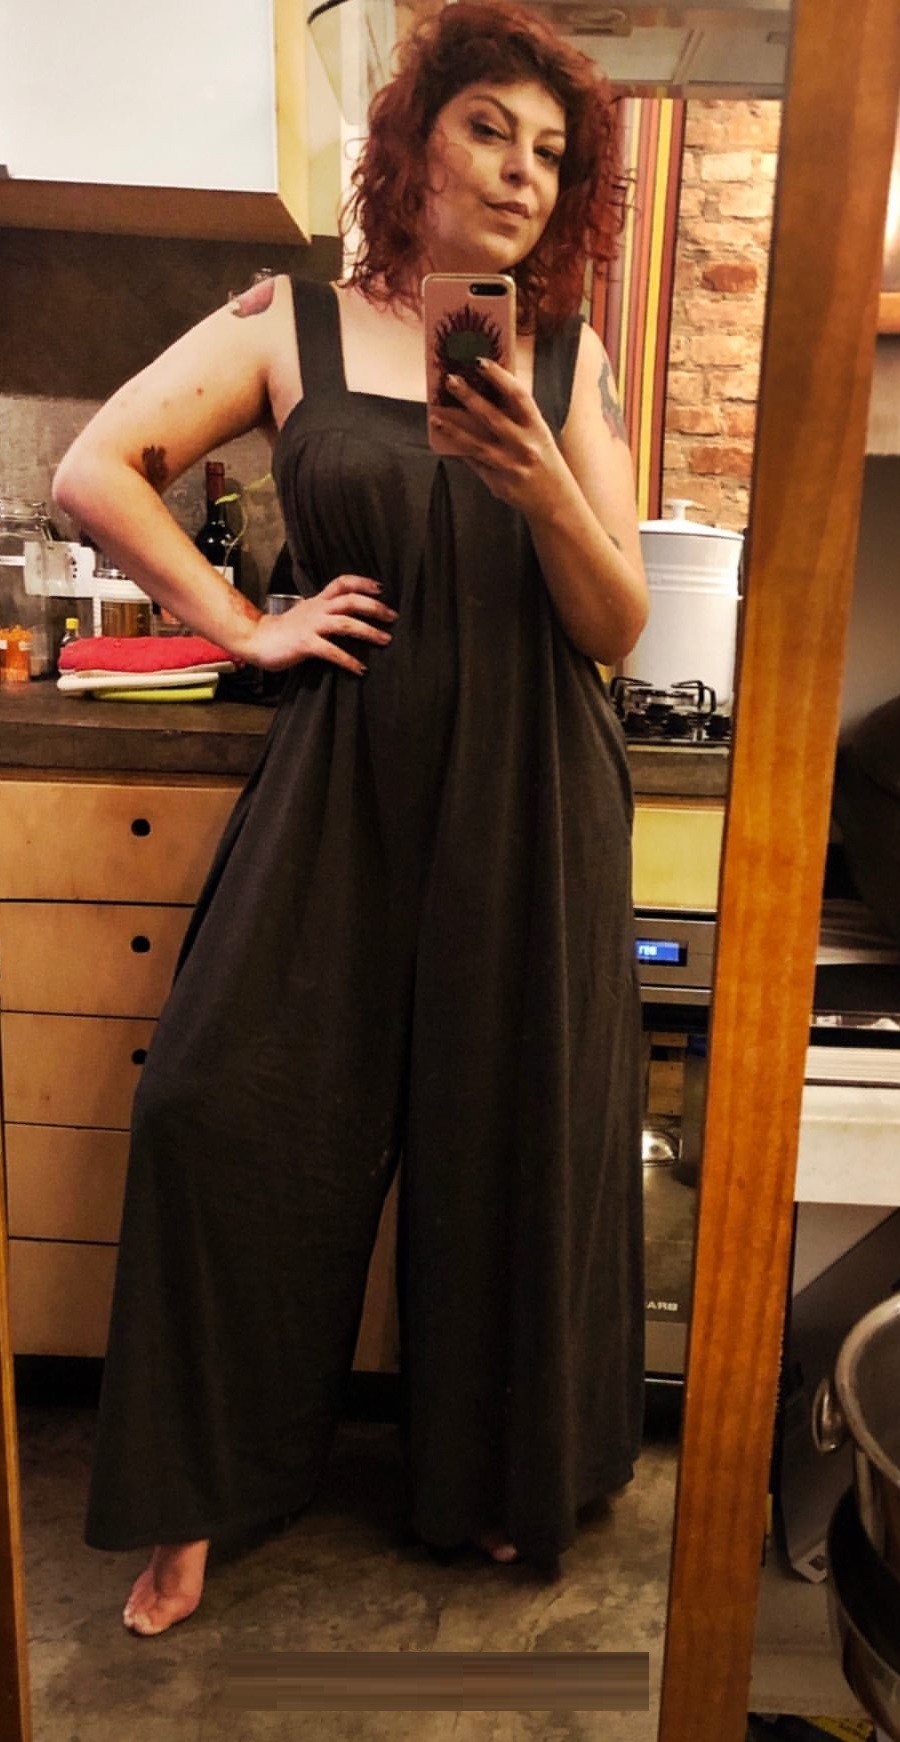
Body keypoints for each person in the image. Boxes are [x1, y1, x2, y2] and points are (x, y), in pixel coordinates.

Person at [52, 0, 650, 1638]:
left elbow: (616, 626)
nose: (519, 173)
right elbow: (96, 470)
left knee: (511, 1126)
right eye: (487, 131)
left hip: (531, 785)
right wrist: (246, 628)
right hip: (346, 771)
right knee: (217, 1105)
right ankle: (196, 1494)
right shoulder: (286, 321)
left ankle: (503, 1477)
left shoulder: (566, 358)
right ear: (414, 146)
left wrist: (540, 477)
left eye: (551, 153)